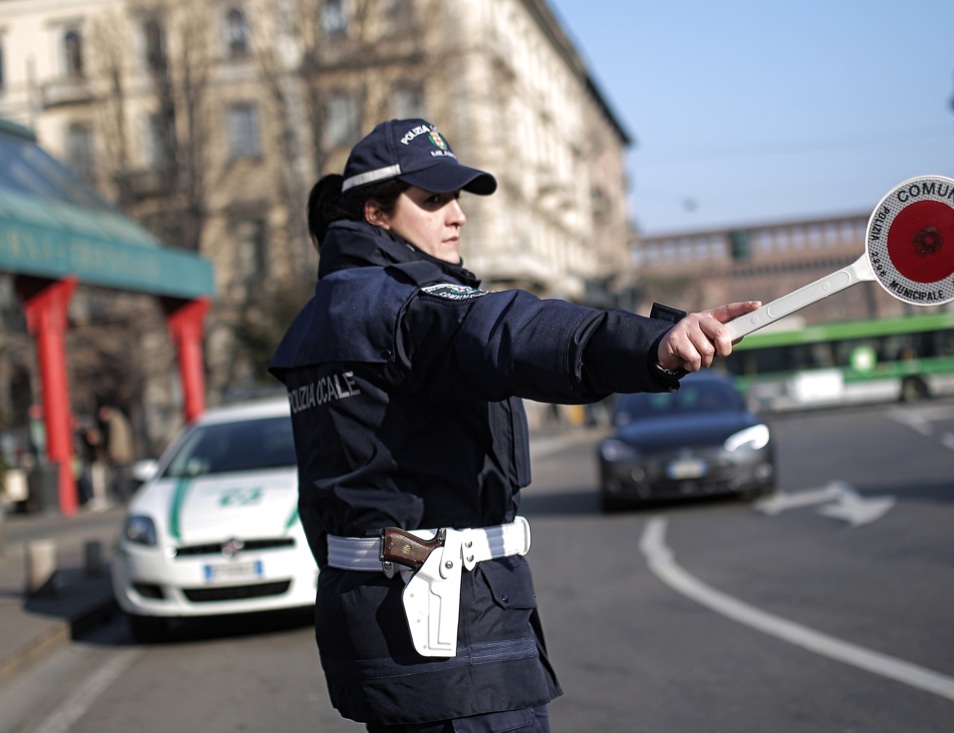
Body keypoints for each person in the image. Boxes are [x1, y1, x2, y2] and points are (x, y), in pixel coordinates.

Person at [268, 118, 761, 732]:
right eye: (433, 199)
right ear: (376, 214)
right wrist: (651, 343)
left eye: (457, 198)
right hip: (456, 648)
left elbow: (322, 504)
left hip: (380, 633)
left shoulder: (317, 324)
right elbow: (509, 331)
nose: (457, 216)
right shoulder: (408, 306)